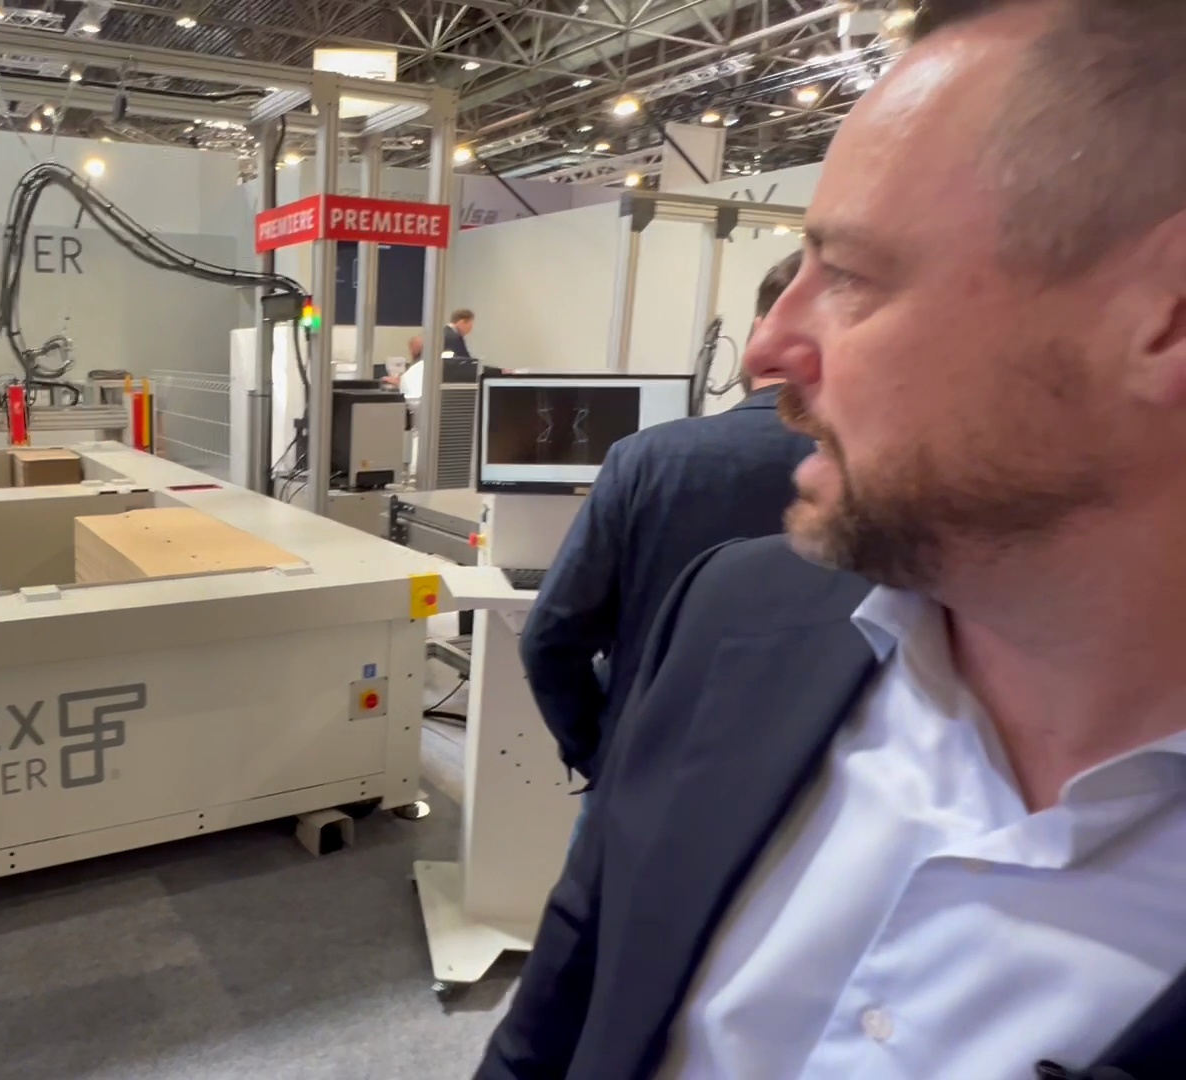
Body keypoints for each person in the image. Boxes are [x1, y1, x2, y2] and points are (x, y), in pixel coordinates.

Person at [476, 3, 1186, 1077]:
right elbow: (564, 1007)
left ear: (1167, 315)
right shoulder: (733, 614)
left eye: (850, 274)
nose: (768, 347)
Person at [519, 251, 812, 782]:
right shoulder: (883, 478)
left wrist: (598, 751)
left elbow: (550, 639)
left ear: (758, 335)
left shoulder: (644, 458)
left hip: (647, 763)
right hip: (806, 780)